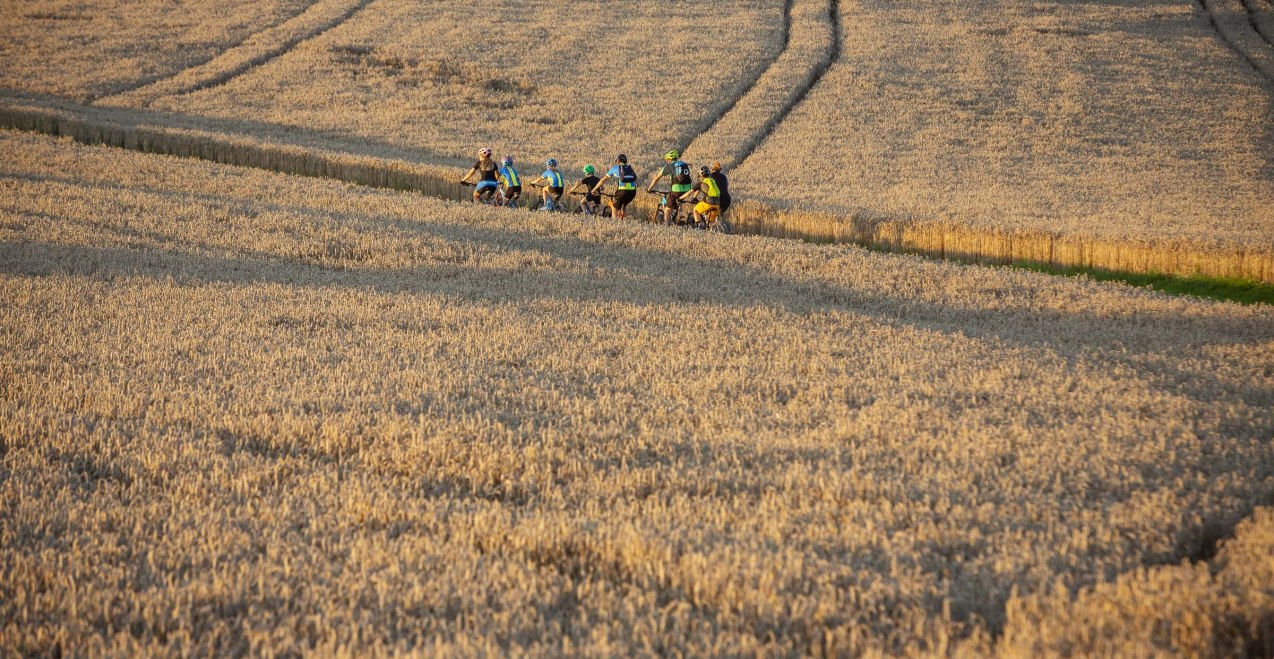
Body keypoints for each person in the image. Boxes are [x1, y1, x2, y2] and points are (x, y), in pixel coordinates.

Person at [647, 149, 694, 225]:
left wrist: (649, 189)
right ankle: (680, 217)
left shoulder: (669, 166)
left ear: (669, 159)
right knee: (679, 201)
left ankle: (667, 227)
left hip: (676, 190)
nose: (667, 161)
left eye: (667, 160)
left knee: (667, 210)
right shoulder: (684, 164)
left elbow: (656, 178)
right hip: (688, 189)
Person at [592, 153, 639, 220]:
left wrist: (594, 190)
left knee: (614, 206)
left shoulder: (615, 168)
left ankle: (615, 222)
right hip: (633, 192)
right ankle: (624, 220)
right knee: (624, 205)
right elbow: (637, 183)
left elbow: (602, 180)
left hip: (623, 190)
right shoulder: (629, 168)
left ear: (618, 160)